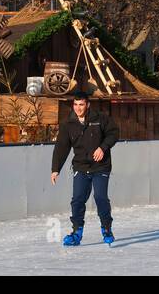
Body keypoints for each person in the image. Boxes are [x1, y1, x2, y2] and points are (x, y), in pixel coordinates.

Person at [51, 92, 119, 246]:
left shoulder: (100, 118)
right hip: (81, 166)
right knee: (77, 200)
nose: (78, 108)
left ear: (87, 105)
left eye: (81, 104)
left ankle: (106, 229)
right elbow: (62, 147)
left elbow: (113, 133)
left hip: (100, 166)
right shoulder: (68, 124)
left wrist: (103, 147)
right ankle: (76, 232)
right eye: (75, 104)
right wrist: (56, 169)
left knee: (100, 198)